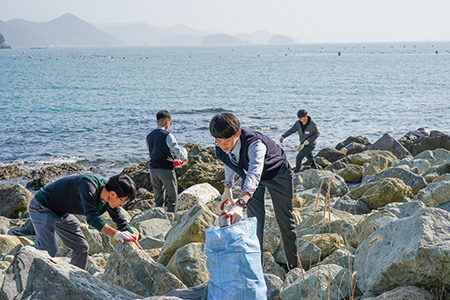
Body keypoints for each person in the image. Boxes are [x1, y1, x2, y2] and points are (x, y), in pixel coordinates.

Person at [210, 112, 299, 271]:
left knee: (285, 221)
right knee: (254, 223)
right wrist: (227, 189)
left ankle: (294, 267)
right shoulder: (221, 148)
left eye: (228, 141)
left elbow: (254, 174)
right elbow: (229, 161)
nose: (223, 146)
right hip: (250, 178)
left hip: (278, 174)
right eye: (219, 142)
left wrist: (241, 202)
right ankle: (255, 267)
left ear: (238, 133)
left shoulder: (255, 145)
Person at [28, 173, 137, 270]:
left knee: (81, 247)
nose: (122, 204)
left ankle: (76, 280)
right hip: (42, 207)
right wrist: (116, 234)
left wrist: (134, 243)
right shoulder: (88, 186)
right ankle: (39, 284)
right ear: (113, 194)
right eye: (123, 201)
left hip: (62, 212)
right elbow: (92, 218)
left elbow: (121, 221)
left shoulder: (109, 199)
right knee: (48, 250)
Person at [146, 110, 188, 212]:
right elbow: (176, 149)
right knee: (172, 197)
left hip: (153, 169)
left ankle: (158, 216)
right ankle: (170, 219)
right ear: (167, 121)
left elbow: (150, 151)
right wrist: (184, 158)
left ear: (157, 122)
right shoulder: (168, 135)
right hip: (166, 169)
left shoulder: (149, 136)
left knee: (158, 198)